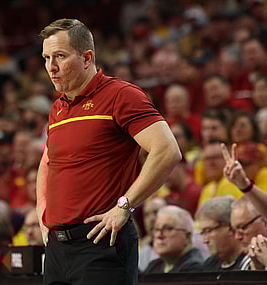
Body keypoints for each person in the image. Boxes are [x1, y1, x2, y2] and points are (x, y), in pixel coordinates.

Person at [36, 18, 181, 285]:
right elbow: (48, 161)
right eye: (46, 58)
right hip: (58, 248)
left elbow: (167, 150)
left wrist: (125, 205)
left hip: (102, 242)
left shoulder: (121, 95)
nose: (51, 68)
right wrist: (42, 212)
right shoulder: (58, 107)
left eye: (59, 56)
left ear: (87, 57)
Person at [196, 196, 251, 271]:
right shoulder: (209, 265)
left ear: (231, 227)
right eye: (202, 232)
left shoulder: (251, 264)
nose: (204, 240)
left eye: (208, 231)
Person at [143, 205, 203, 274]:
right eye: (156, 229)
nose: (159, 235)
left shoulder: (194, 267)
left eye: (168, 229)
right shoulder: (154, 265)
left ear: (187, 236)